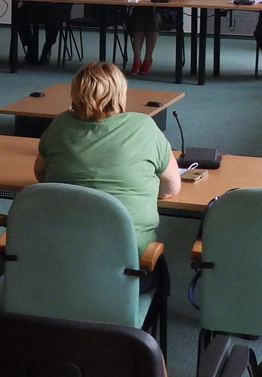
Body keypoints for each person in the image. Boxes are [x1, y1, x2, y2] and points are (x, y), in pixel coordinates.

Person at [35, 62, 179, 253]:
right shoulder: (144, 126)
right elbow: (171, 187)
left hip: (62, 249)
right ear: (121, 93)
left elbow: (41, 174)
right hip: (128, 253)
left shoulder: (59, 125)